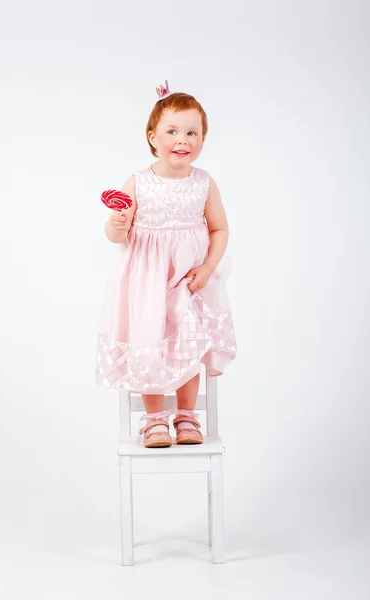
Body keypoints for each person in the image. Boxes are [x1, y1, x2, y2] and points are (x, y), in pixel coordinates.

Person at [96, 80, 236, 448]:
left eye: (192, 132)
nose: (182, 139)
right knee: (151, 341)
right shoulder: (139, 182)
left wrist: (207, 269)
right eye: (172, 131)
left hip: (189, 280)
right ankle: (155, 418)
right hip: (148, 281)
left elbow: (220, 229)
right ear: (152, 136)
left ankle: (187, 415)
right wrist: (117, 223)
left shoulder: (204, 184)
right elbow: (117, 234)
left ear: (203, 139)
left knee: (189, 341)